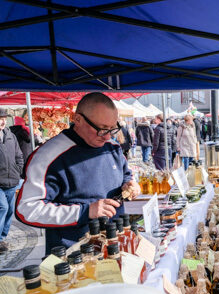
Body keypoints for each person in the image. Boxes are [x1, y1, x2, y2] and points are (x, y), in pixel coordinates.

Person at [16, 93, 140, 254]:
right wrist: (84, 211)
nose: (108, 136)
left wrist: (130, 183)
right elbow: (27, 209)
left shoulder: (112, 147)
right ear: (78, 119)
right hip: (74, 255)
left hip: (115, 245)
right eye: (101, 129)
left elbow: (125, 175)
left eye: (112, 128)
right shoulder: (49, 156)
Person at [0, 109, 24, 253]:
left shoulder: (10, 135)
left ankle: (3, 238)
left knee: (9, 210)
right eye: (0, 118)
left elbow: (19, 155)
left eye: (4, 118)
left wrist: (18, 170)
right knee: (2, 207)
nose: (3, 121)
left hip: (11, 180)